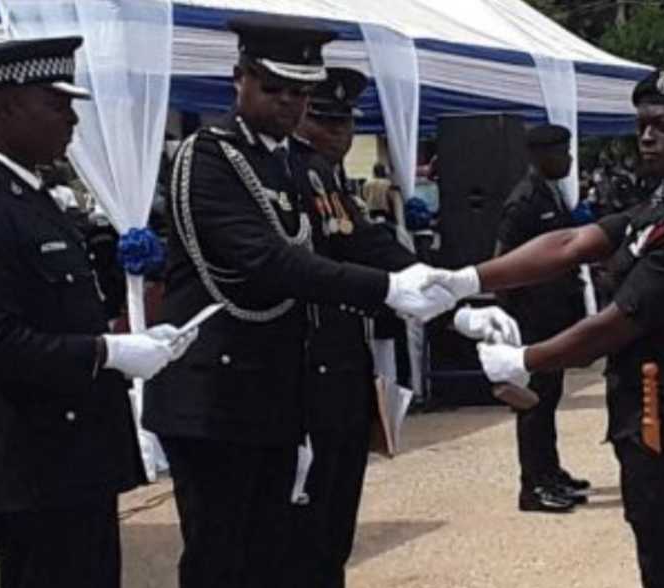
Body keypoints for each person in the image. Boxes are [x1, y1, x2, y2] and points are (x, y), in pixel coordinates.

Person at [143, 17, 463, 588]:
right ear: (239, 79)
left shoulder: (301, 165)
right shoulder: (208, 158)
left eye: (300, 91)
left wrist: (446, 288)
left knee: (280, 553)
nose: (290, 103)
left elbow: (357, 237)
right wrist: (387, 289)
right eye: (274, 88)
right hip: (215, 394)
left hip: (277, 391)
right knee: (222, 559)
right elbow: (269, 261)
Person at [424, 68, 664, 588]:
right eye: (642, 124)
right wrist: (466, 277)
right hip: (657, 414)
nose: (647, 136)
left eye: (662, 124)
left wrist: (524, 360)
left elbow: (613, 326)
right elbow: (572, 244)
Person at [0, 37, 192, 588]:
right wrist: (110, 352)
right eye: (55, 104)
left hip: (73, 459)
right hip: (34, 464)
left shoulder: (32, 198)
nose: (71, 120)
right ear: (4, 109)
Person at [284, 66, 519, 587]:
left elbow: (377, 250)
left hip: (342, 374)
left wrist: (455, 299)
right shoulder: (287, 173)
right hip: (300, 379)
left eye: (345, 124)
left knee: (330, 532)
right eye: (325, 122)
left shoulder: (330, 182)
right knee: (299, 535)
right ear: (301, 120)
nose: (338, 135)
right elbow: (341, 267)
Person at [494, 124, 590, 513]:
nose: (568, 159)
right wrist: (515, 320)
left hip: (553, 314)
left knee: (549, 398)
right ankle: (532, 486)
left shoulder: (551, 193)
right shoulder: (525, 201)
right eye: (561, 152)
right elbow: (503, 261)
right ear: (538, 155)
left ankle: (549, 471)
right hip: (534, 318)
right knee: (534, 402)